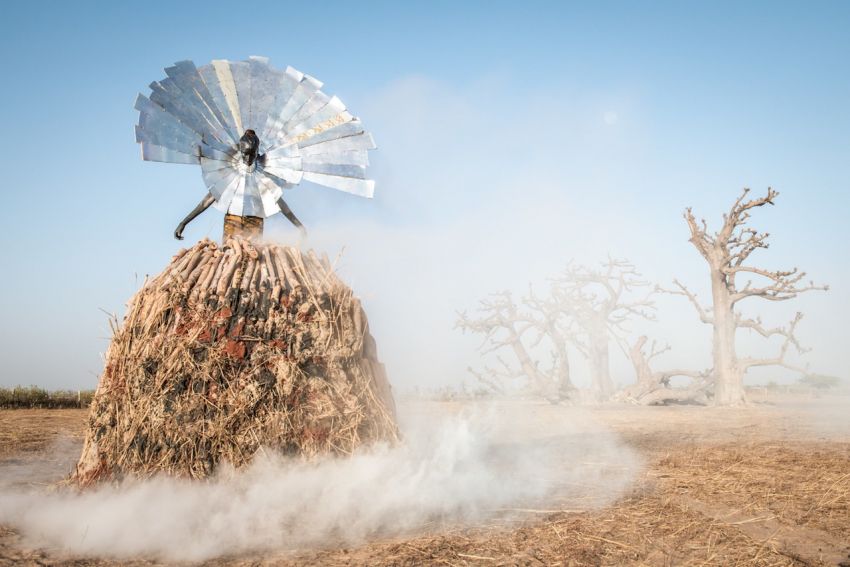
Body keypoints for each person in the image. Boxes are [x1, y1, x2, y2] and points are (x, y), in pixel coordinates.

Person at [174, 130, 306, 241]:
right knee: (231, 257)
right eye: (245, 154)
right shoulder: (229, 170)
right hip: (232, 222)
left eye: (252, 154)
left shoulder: (264, 174)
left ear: (257, 151)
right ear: (241, 149)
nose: (248, 159)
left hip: (255, 223)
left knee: (253, 262)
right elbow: (208, 199)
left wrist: (299, 226)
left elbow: (279, 203)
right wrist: (184, 222)